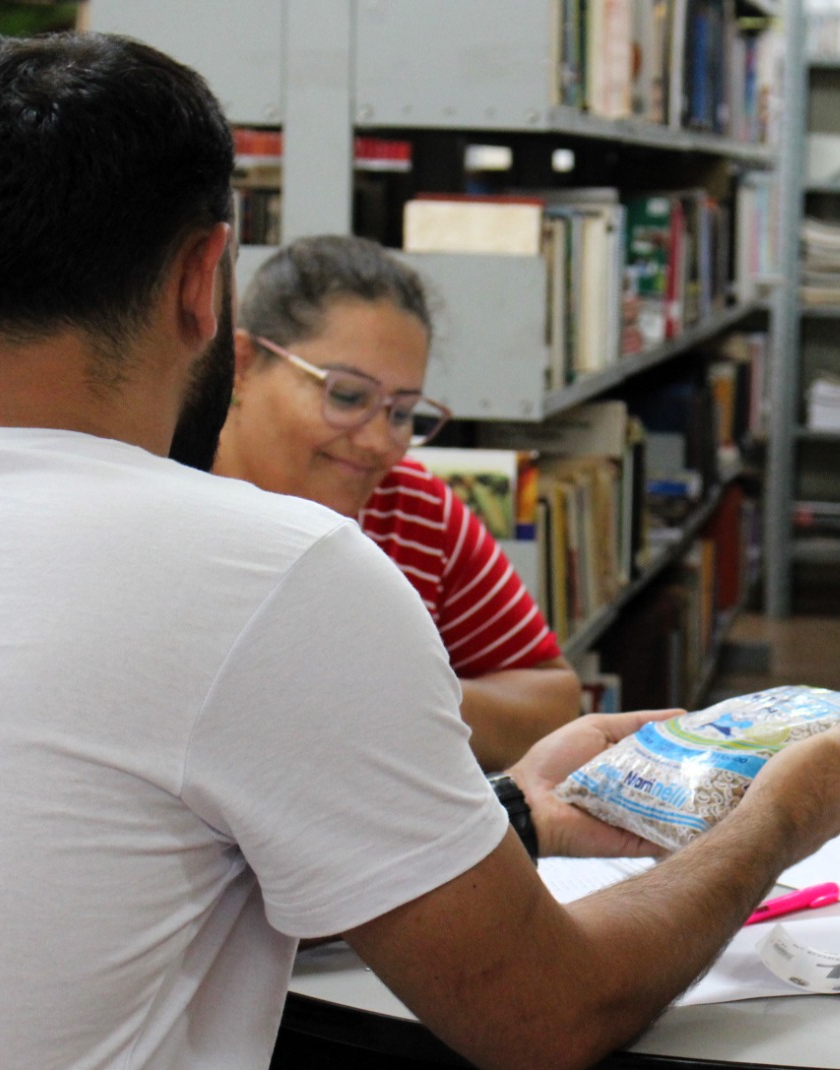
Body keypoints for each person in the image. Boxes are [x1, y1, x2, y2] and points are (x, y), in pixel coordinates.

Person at [0, 31, 840, 1070]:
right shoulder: (275, 573)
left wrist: (509, 813)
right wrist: (774, 820)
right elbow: (546, 1012)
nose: (375, 436)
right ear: (206, 284)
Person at [214, 235, 579, 771]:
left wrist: (403, 695)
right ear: (242, 365)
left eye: (403, 412)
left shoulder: (411, 507)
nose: (379, 441)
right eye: (346, 396)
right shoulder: (168, 501)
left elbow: (554, 704)